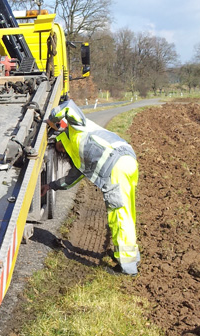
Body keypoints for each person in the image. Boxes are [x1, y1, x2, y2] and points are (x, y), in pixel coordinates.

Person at [41, 99, 140, 275]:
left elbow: (69, 107)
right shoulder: (78, 155)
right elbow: (70, 180)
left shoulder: (75, 127)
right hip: (127, 160)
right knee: (126, 212)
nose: (60, 150)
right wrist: (50, 186)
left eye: (59, 146)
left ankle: (127, 267)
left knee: (119, 216)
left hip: (116, 167)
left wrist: (51, 118)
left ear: (59, 135)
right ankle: (130, 257)